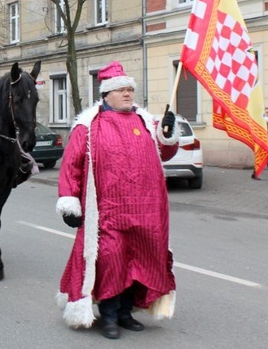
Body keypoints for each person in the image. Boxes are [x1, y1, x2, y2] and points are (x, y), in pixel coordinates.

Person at [55, 61, 179, 339]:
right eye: (121, 90)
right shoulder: (88, 125)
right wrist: (69, 200)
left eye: (130, 90)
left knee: (140, 261)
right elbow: (71, 165)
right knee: (112, 261)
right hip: (108, 212)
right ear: (106, 94)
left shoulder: (144, 122)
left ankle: (125, 312)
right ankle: (109, 315)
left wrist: (167, 135)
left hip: (146, 210)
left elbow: (164, 155)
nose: (127, 94)